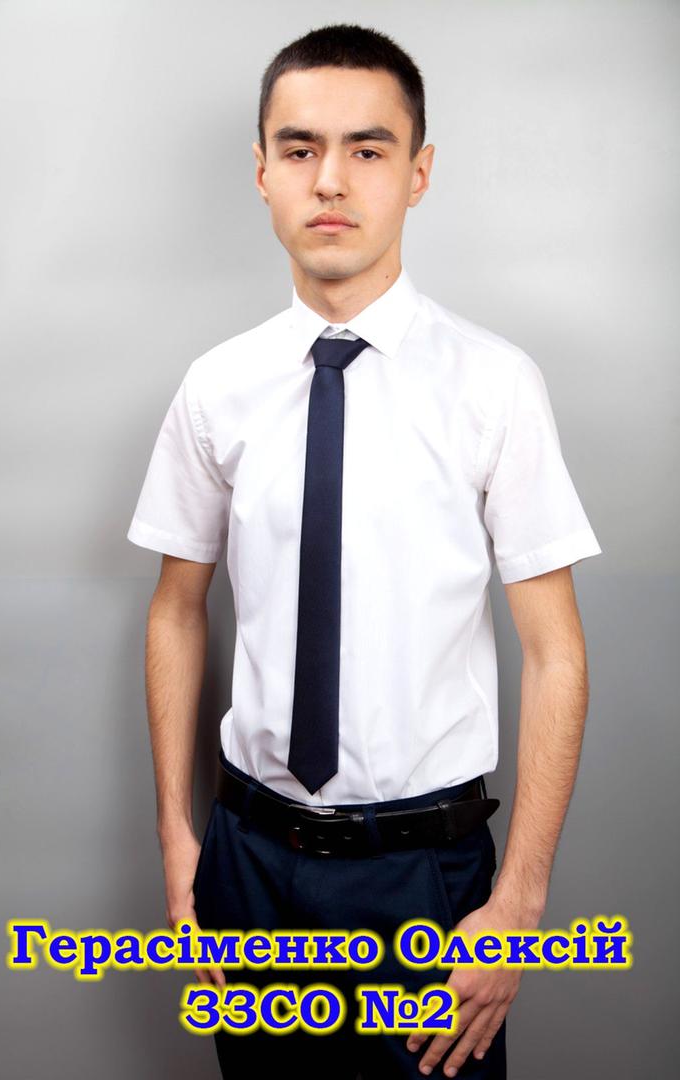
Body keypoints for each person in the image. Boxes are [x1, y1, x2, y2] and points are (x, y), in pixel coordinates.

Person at [126, 22, 602, 1080]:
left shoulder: (493, 385)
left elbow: (555, 652)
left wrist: (518, 903)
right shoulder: (217, 387)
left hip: (422, 880)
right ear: (262, 171)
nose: (330, 180)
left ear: (417, 173)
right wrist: (178, 845)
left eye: (367, 148)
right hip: (248, 868)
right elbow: (173, 609)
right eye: (298, 149)